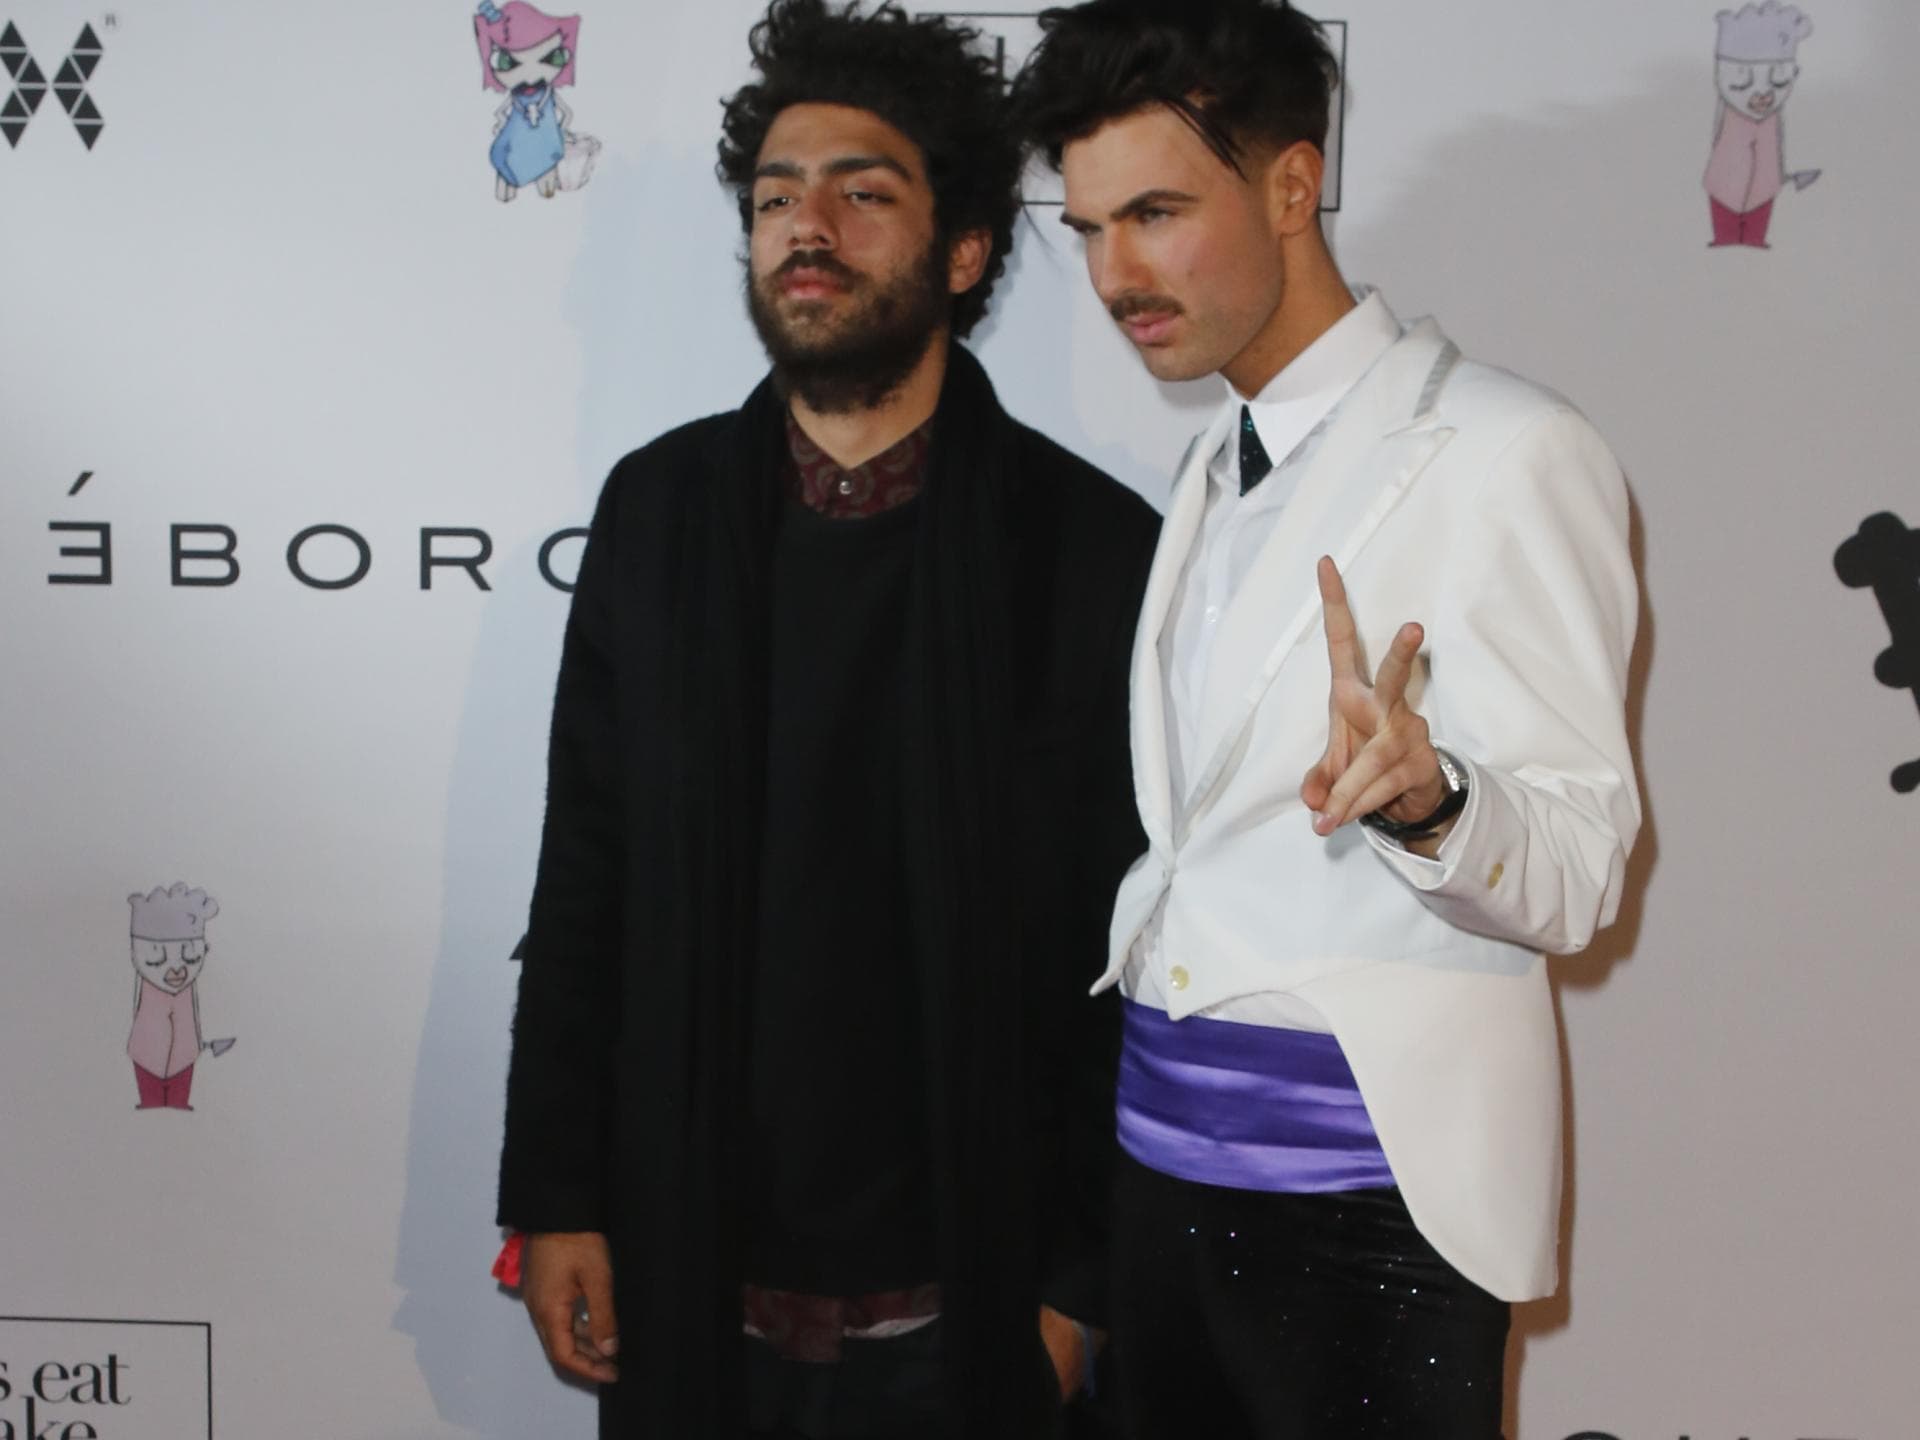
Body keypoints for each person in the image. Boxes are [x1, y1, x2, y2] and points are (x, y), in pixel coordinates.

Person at [495, 2, 1158, 1436]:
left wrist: (1082, 1281)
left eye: (863, 194)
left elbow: (1132, 952)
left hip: (970, 1306)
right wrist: (556, 1199)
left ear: (964, 250)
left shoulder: (1092, 550)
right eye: (777, 197)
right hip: (687, 1278)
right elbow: (585, 881)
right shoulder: (658, 516)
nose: (808, 227)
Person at [1012, 2, 1641, 1435]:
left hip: (1367, 1218)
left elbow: (1581, 873)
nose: (1114, 274)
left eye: (1157, 214)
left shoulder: (1506, 452)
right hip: (1157, 1178)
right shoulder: (1213, 467)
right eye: (1092, 228)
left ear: (1293, 185)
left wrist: (1435, 801)